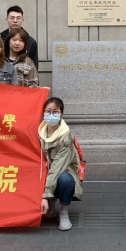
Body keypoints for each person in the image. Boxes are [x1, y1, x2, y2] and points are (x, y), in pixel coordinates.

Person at [39, 97, 83, 231]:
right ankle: (50, 203)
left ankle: (64, 211)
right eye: (48, 111)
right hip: (43, 172)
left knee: (65, 179)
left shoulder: (65, 137)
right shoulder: (38, 132)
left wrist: (46, 195)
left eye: (55, 112)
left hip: (60, 172)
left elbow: (56, 168)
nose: (51, 115)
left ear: (61, 114)